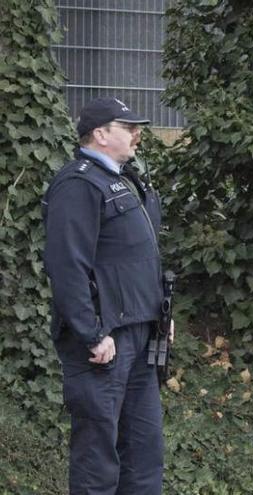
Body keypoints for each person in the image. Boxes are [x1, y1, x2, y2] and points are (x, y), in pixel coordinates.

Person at [43, 97, 170, 494]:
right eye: (126, 127)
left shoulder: (126, 179)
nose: (137, 134)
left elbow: (137, 260)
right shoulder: (79, 183)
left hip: (139, 334)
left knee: (144, 453)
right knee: (97, 458)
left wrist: (161, 318)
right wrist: (91, 332)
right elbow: (67, 266)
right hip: (105, 342)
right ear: (100, 134)